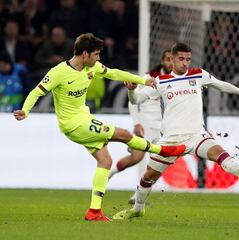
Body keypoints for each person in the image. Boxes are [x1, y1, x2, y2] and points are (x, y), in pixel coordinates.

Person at [12, 33, 186, 222]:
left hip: (85, 118)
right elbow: (36, 91)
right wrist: (25, 111)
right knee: (124, 134)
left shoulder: (92, 67)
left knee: (105, 161)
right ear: (85, 54)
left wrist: (142, 80)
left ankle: (94, 211)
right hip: (74, 124)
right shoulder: (58, 72)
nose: (98, 58)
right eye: (96, 54)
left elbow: (115, 73)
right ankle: (162, 150)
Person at [113, 42, 239, 220]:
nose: (185, 63)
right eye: (181, 59)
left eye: (188, 59)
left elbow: (221, 85)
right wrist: (131, 91)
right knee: (148, 177)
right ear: (172, 60)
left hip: (196, 135)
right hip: (171, 139)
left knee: (219, 153)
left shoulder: (198, 75)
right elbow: (136, 101)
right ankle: (137, 209)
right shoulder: (160, 82)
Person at [109, 49, 172, 203]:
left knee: (159, 163)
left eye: (173, 59)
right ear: (163, 61)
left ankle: (139, 194)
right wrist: (136, 123)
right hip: (145, 124)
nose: (171, 62)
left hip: (163, 127)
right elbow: (133, 102)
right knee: (137, 157)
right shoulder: (148, 78)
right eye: (168, 59)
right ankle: (109, 173)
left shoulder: (177, 81)